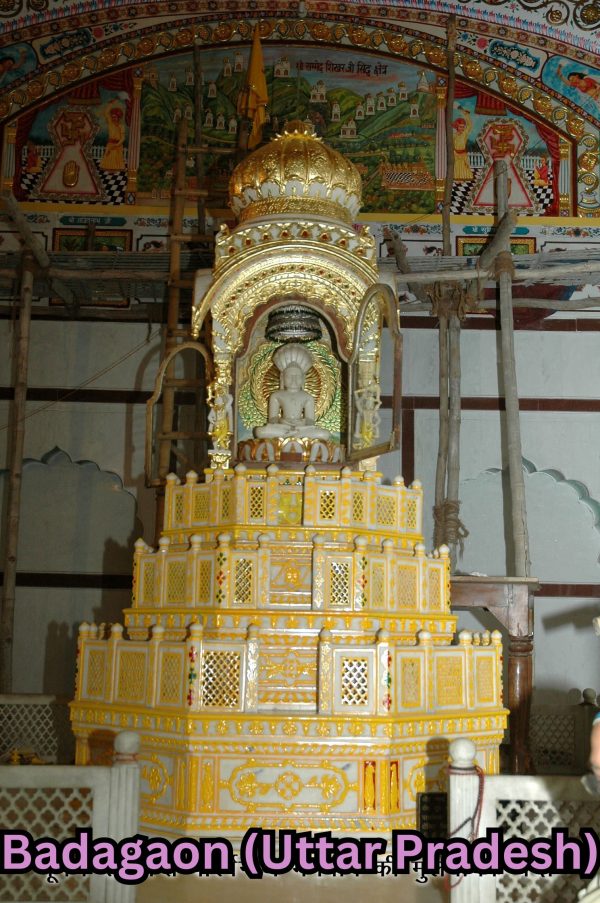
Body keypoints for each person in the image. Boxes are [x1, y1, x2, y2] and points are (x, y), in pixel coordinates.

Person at [254, 343, 330, 440]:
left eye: (297, 376)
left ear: (303, 378)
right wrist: (282, 422)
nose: (293, 379)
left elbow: (310, 421)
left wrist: (302, 423)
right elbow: (272, 419)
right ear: (282, 377)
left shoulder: (307, 397)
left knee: (324, 434)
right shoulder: (276, 396)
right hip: (283, 427)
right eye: (289, 376)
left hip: (301, 428)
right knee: (260, 431)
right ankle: (292, 434)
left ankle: (292, 434)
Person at [99, 105, 125, 172]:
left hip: (118, 145)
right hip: (110, 144)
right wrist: (110, 105)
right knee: (108, 159)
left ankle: (115, 172)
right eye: (112, 117)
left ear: (118, 118)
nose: (113, 118)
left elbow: (123, 138)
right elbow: (106, 113)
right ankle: (109, 172)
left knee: (116, 160)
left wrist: (117, 145)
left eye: (115, 117)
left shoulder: (121, 126)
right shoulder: (110, 124)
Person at [452, 107, 473, 181]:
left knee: (464, 167)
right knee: (457, 168)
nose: (462, 128)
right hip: (455, 154)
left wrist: (466, 115)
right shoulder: (454, 135)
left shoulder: (464, 133)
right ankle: (457, 180)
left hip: (463, 154)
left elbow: (469, 125)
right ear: (457, 126)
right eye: (460, 127)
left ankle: (463, 180)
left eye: (463, 127)